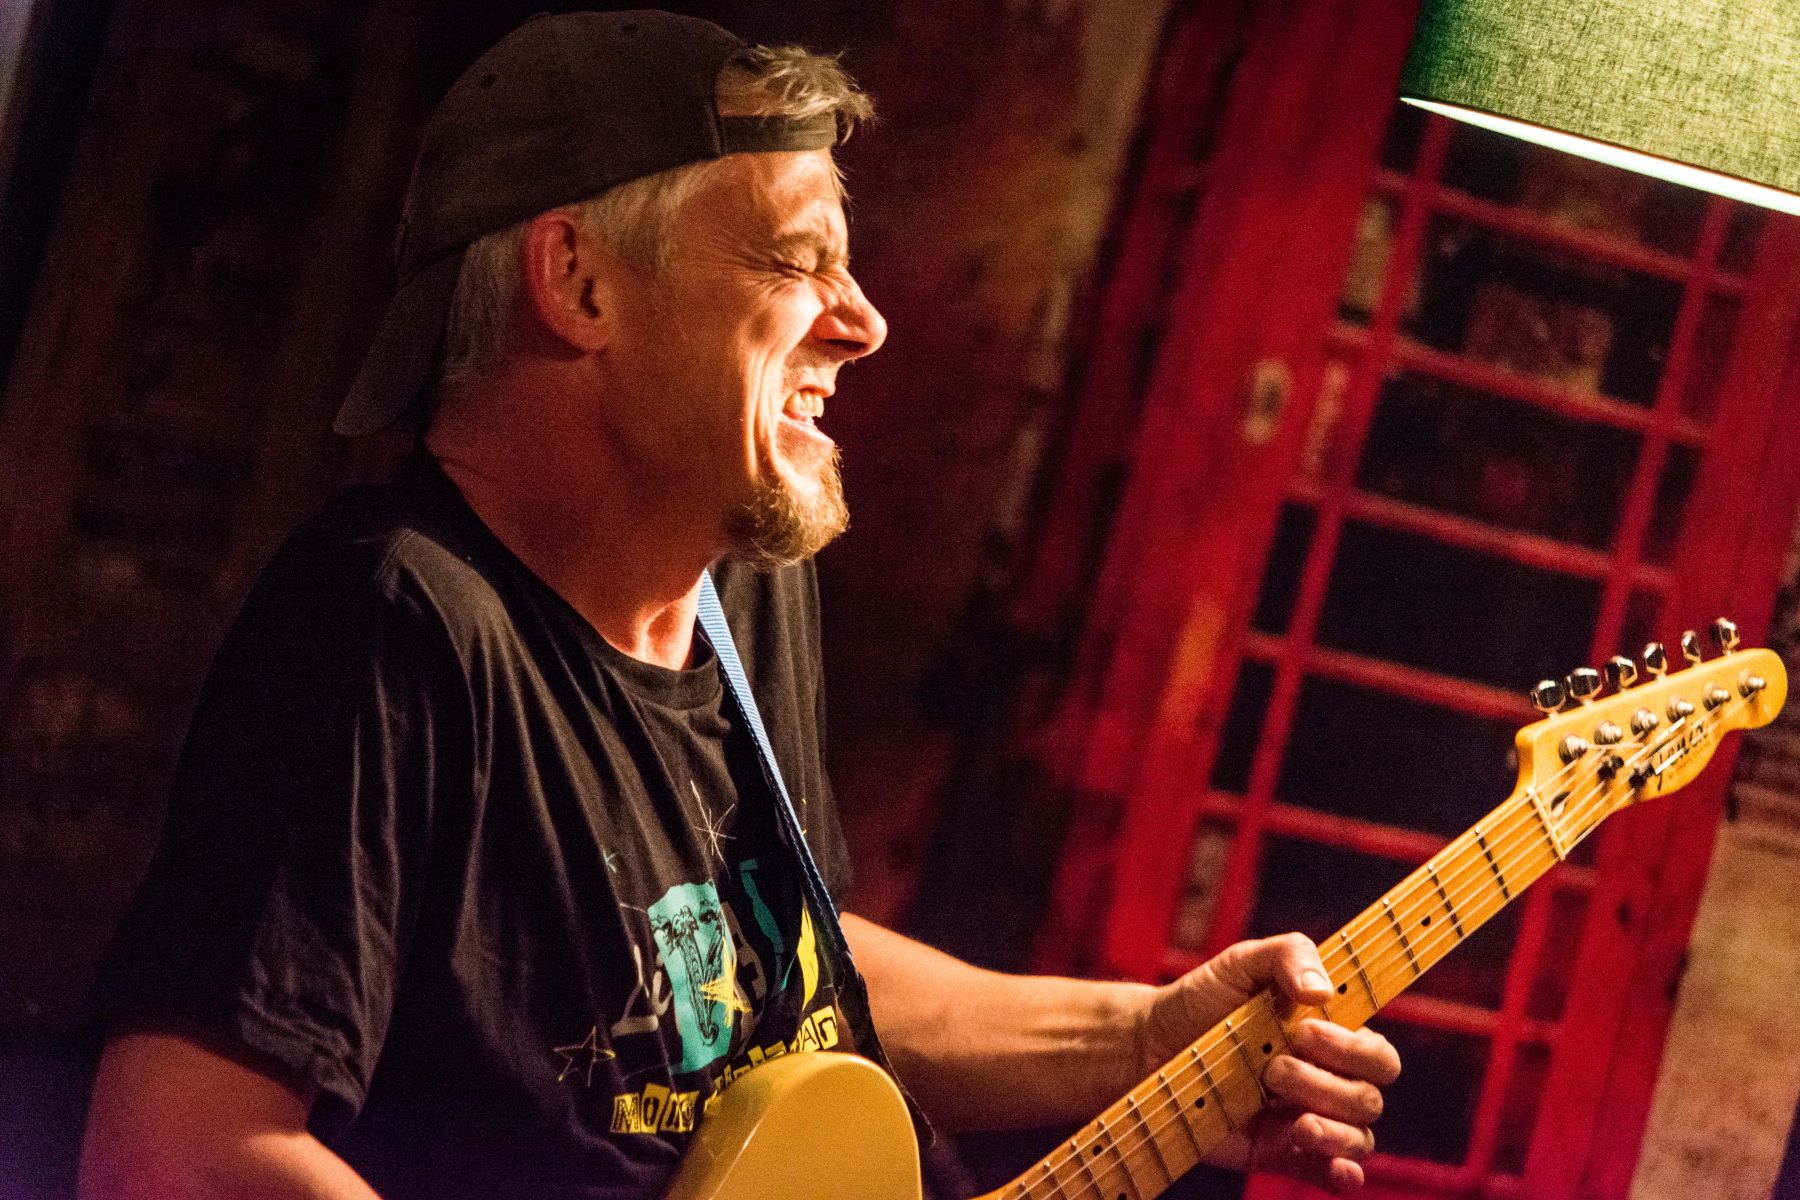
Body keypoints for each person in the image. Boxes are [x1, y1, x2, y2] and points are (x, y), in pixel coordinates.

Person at [76, 11, 1400, 1200]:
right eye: (798, 259)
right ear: (580, 282)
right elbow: (177, 1153)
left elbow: (776, 977)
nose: (863, 322)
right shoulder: (392, 622)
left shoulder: (744, 593)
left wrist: (1140, 1038)